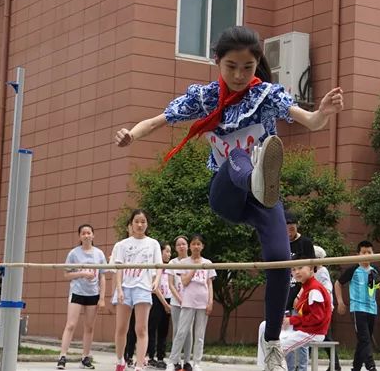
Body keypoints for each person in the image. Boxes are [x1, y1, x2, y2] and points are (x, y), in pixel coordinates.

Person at [114, 25, 344, 371]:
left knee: (281, 258)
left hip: (263, 199)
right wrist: (131, 134)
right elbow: (157, 121)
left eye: (248, 68)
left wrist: (323, 112)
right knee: (238, 155)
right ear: (217, 61)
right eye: (231, 67)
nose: (239, 75)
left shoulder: (267, 94)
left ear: (257, 66)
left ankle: (270, 345)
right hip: (226, 194)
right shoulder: (204, 98)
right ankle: (253, 174)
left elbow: (309, 121)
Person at [258, 257, 331, 370]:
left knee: (277, 347)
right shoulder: (306, 287)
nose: (296, 272)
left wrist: (292, 320)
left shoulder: (314, 290)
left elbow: (316, 319)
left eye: (300, 268)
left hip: (314, 332)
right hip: (304, 328)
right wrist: (290, 320)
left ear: (311, 268)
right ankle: (264, 367)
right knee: (265, 327)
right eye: (293, 269)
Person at [112, 210, 163, 371]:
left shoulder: (153, 243)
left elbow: (159, 266)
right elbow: (118, 268)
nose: (140, 225)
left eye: (143, 221)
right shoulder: (122, 245)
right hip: (125, 288)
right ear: (131, 224)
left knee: (141, 328)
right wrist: (119, 288)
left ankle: (140, 365)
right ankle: (120, 360)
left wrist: (156, 280)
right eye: (136, 221)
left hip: (142, 287)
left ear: (147, 224)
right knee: (121, 328)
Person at [57, 224, 108, 370]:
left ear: (93, 235)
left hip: (93, 294)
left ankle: (85, 358)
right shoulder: (73, 253)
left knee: (89, 327)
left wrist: (102, 298)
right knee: (71, 324)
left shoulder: (99, 254)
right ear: (80, 236)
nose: (86, 235)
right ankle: (62, 356)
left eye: (89, 233)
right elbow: (66, 275)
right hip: (77, 292)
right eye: (83, 233)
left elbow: (102, 277)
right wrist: (82, 274)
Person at [334, 241, 380, 371]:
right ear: (358, 254)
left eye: (369, 252)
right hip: (358, 309)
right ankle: (371, 366)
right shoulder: (353, 269)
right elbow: (338, 283)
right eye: (364, 252)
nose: (367, 255)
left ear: (373, 254)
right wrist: (340, 302)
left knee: (363, 341)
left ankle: (356, 367)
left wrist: (378, 279)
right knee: (365, 339)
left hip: (372, 309)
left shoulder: (375, 270)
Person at [168, 234, 215, 371]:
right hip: (188, 301)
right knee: (181, 332)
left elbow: (210, 284)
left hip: (203, 301)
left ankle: (197, 363)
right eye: (193, 244)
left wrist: (210, 301)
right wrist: (195, 267)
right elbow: (184, 282)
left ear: (202, 246)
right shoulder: (184, 263)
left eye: (198, 244)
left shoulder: (208, 262)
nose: (196, 246)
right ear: (190, 246)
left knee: (199, 335)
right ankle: (173, 361)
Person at [285, 211, 315, 371]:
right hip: (285, 296)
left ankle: (302, 369)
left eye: (292, 229)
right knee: (287, 337)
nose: (289, 234)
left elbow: (311, 272)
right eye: (286, 230)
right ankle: (290, 368)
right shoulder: (281, 242)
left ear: (296, 226)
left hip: (300, 297)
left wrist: (301, 294)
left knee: (301, 338)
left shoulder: (305, 243)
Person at [167, 236, 192, 371]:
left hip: (191, 303)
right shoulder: (172, 263)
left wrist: (187, 300)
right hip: (177, 302)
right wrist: (180, 299)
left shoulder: (193, 261)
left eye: (183, 244)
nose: (181, 246)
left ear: (187, 246)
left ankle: (187, 361)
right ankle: (175, 361)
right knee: (177, 331)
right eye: (178, 245)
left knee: (188, 331)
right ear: (175, 248)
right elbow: (171, 284)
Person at [313, 245, 340, 371]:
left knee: (323, 335)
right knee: (316, 334)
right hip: (317, 307)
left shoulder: (322, 271)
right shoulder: (315, 271)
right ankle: (335, 364)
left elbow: (327, 288)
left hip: (323, 308)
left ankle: (335, 364)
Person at [146, 242, 172, 369]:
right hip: (156, 300)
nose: (169, 254)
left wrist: (169, 303)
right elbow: (154, 288)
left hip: (168, 301)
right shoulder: (155, 267)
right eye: (166, 251)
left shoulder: (171, 268)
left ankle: (161, 357)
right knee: (152, 329)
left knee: (164, 330)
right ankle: (150, 357)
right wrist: (165, 304)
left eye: (170, 252)